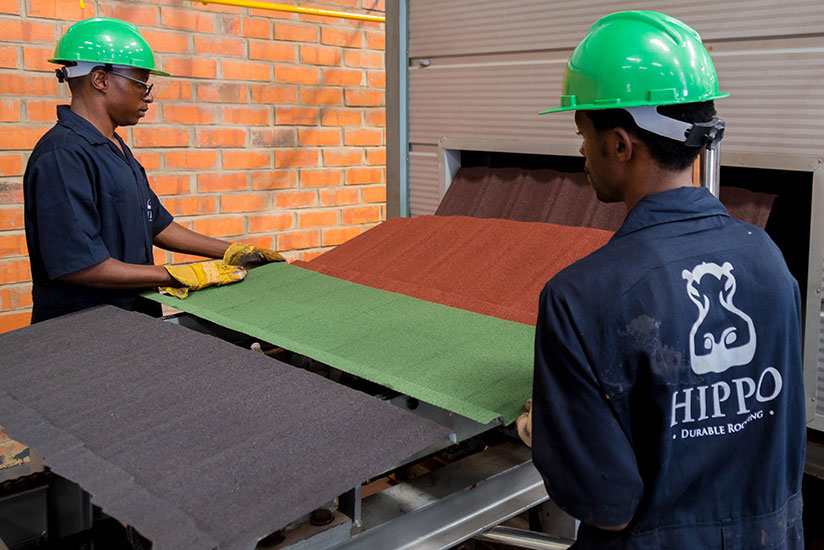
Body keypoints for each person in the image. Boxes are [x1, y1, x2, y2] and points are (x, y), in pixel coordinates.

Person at [528, 11, 805, 549]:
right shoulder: (768, 259)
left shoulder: (579, 297)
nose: (581, 151)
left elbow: (605, 507)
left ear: (620, 144)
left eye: (583, 133)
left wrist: (544, 428)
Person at [24, 17, 283, 323]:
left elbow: (156, 224)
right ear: (100, 79)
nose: (148, 95)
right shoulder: (63, 155)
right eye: (140, 83)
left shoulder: (114, 147)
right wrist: (177, 274)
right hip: (83, 333)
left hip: (132, 321)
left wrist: (234, 252)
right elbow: (80, 265)